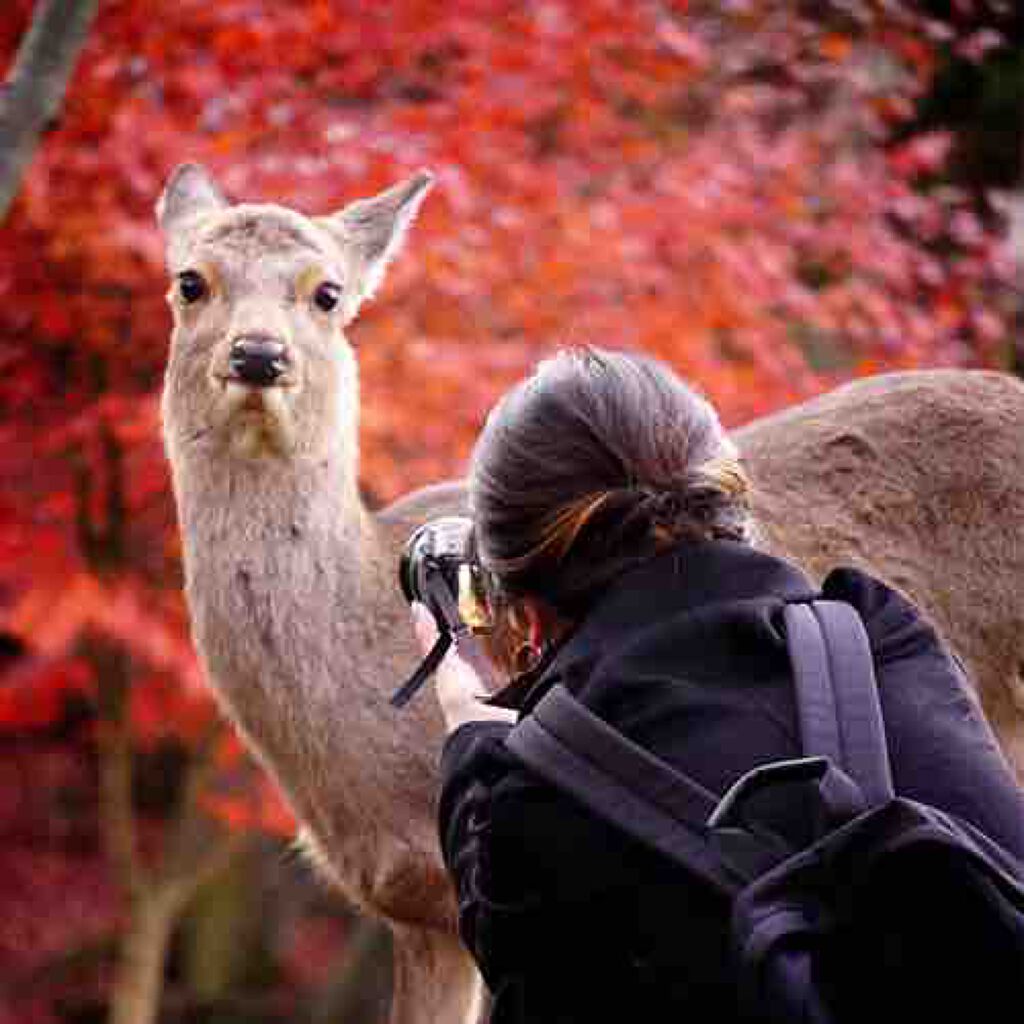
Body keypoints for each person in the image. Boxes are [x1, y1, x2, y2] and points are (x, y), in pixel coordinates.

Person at [409, 348, 1024, 1024]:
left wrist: (474, 751)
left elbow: (532, 970)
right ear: (728, 500)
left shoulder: (532, 804)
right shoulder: (879, 639)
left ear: (518, 604)